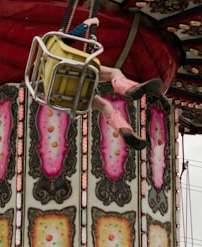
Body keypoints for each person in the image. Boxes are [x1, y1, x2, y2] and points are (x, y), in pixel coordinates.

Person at [64, 18, 161, 151]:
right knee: (113, 73)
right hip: (76, 72)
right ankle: (128, 89)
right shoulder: (55, 44)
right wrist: (89, 22)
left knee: (104, 105)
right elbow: (72, 36)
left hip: (65, 92)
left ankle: (126, 131)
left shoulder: (43, 65)